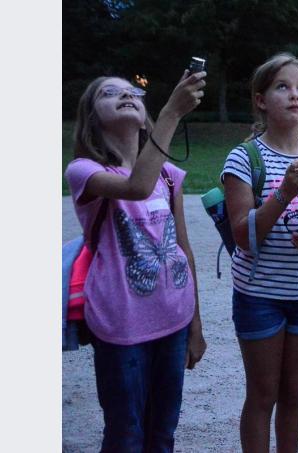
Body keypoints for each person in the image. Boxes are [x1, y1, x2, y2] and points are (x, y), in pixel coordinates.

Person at [64, 71, 207, 451]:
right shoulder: (85, 171)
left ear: (144, 116)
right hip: (120, 325)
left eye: (133, 93)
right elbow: (136, 187)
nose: (125, 95)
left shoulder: (171, 177)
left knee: (163, 434)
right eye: (110, 93)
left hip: (173, 320)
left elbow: (184, 250)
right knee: (126, 436)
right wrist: (172, 113)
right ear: (92, 118)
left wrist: (195, 324)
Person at [221, 53, 298, 453]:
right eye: (282, 87)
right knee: (262, 394)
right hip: (259, 296)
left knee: (293, 391)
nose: (295, 95)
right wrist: (285, 192)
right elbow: (243, 236)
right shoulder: (245, 158)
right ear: (260, 100)